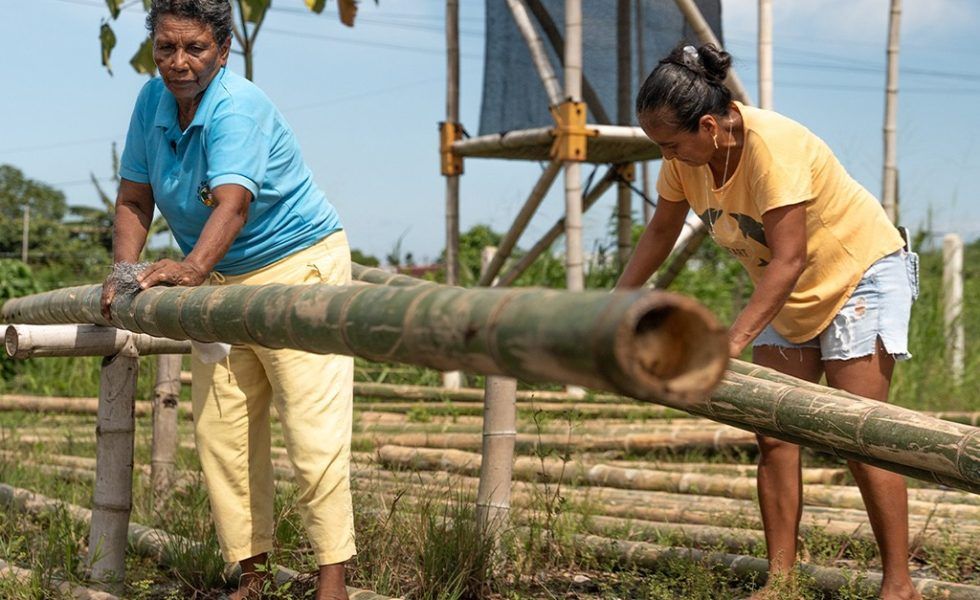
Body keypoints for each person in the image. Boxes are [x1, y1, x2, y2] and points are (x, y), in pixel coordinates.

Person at [617, 43, 921, 600]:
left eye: (671, 143)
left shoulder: (771, 148)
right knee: (775, 432)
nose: (667, 155)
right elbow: (660, 231)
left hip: (860, 276)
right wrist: (614, 304)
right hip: (786, 287)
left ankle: (899, 585)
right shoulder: (684, 161)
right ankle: (781, 581)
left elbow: (790, 258)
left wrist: (731, 343)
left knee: (861, 434)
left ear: (709, 125)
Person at [99, 1, 355, 598]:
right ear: (154, 49)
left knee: (310, 426)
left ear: (223, 48)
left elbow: (233, 203)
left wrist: (189, 269)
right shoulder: (150, 103)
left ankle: (333, 580)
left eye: (195, 48)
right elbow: (135, 198)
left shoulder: (237, 106)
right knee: (224, 429)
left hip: (296, 268)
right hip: (220, 278)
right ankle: (253, 574)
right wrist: (125, 271)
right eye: (167, 48)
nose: (179, 62)